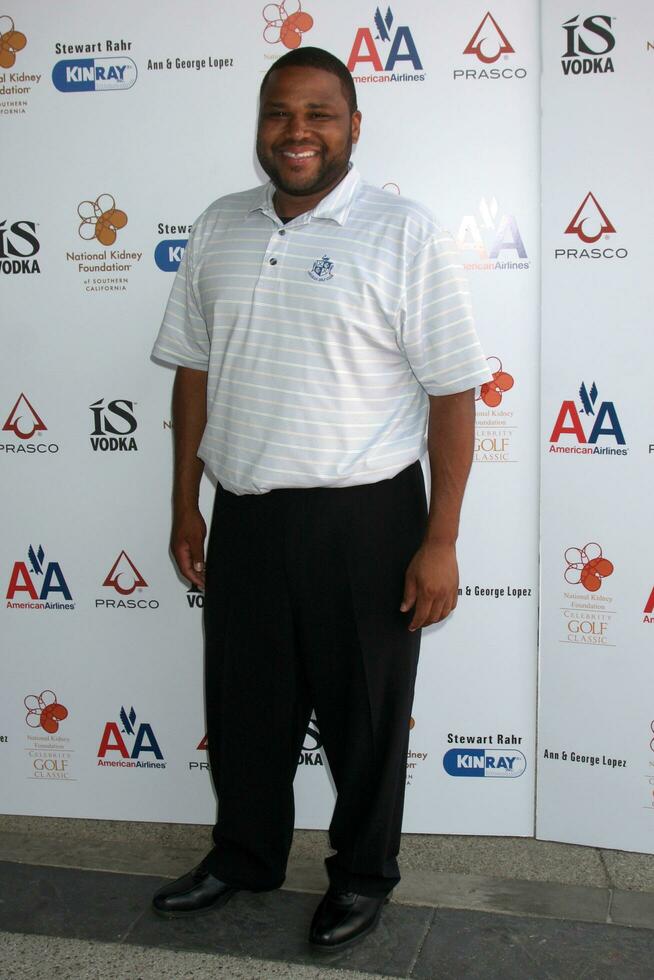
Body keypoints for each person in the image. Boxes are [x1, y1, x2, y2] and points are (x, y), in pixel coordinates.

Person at [150, 46, 492, 951]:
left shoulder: (402, 231)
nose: (296, 132)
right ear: (259, 124)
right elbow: (192, 371)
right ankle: (244, 856)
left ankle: (364, 877)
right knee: (244, 708)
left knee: (366, 719)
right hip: (248, 515)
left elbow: (454, 393)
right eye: (278, 113)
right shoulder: (218, 226)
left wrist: (441, 538)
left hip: (365, 520)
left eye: (318, 114)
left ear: (352, 126)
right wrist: (187, 502)